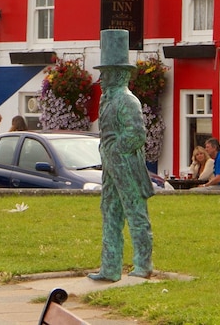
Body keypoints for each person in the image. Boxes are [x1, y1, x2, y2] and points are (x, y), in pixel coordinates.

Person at [88, 29, 153, 282]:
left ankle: (143, 264)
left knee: (136, 213)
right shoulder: (107, 99)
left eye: (105, 74)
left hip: (126, 166)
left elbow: (136, 134)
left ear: (117, 75)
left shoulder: (127, 100)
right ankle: (110, 267)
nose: (101, 79)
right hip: (111, 166)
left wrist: (116, 148)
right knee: (110, 212)